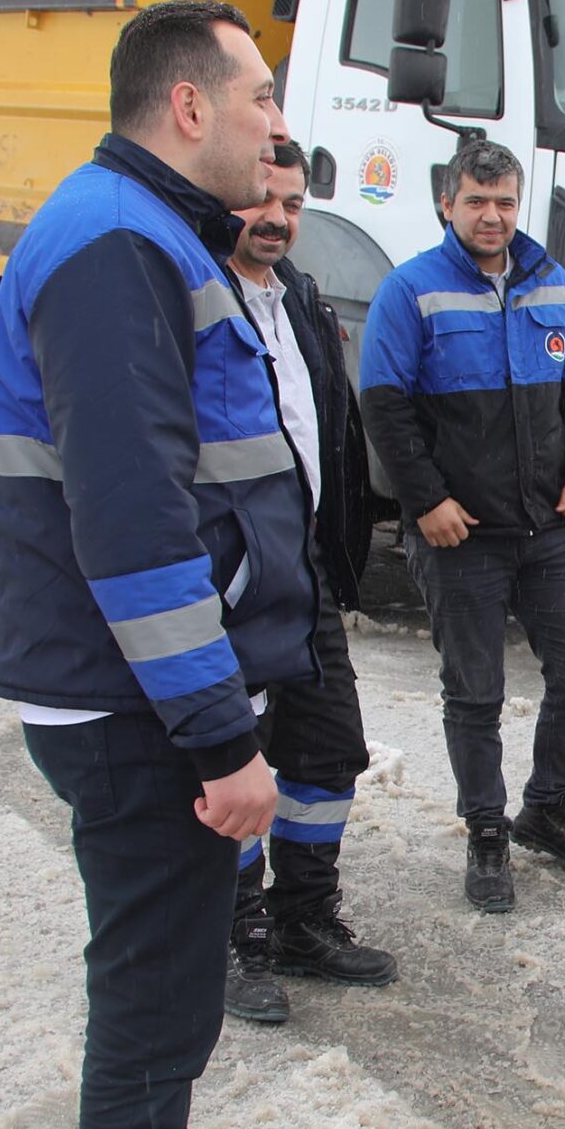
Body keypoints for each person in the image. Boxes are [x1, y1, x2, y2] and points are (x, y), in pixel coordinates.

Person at [0, 0, 328, 1129]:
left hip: (148, 695)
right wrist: (221, 737)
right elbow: (133, 525)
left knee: (174, 991)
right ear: (189, 106)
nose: (275, 125)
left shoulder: (149, 230)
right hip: (136, 706)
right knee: (147, 1011)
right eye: (259, 97)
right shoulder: (119, 245)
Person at [357, 138, 565, 913]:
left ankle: (547, 808)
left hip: (548, 527)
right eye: (476, 201)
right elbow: (385, 408)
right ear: (447, 203)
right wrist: (425, 501)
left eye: (505, 201)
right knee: (475, 692)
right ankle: (486, 833)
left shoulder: (552, 282)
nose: (492, 215)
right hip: (460, 532)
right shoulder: (411, 290)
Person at [218, 141, 396, 1022]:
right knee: (232, 759)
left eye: (292, 204)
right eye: (262, 199)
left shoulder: (296, 297)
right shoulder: (198, 297)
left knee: (328, 748)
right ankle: (231, 935)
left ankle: (301, 917)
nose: (277, 219)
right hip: (232, 575)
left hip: (305, 567)